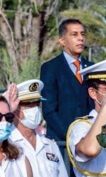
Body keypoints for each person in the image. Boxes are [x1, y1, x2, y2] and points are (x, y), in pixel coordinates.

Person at [39, 17, 92, 151]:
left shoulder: (92, 68)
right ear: (62, 40)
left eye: (82, 34)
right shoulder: (50, 68)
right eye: (74, 34)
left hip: (90, 141)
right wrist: (70, 136)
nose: (80, 38)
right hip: (62, 143)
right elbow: (49, 110)